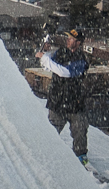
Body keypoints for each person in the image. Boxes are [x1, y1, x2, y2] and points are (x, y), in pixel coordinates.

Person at [37, 27, 91, 163]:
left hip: (75, 102)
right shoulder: (60, 52)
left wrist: (44, 58)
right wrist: (46, 53)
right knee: (52, 130)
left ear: (78, 42)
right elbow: (47, 66)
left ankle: (81, 157)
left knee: (80, 130)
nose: (68, 40)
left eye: (72, 38)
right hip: (57, 100)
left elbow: (65, 72)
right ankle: (45, 155)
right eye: (68, 37)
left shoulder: (82, 59)